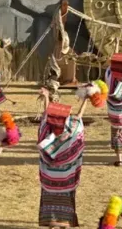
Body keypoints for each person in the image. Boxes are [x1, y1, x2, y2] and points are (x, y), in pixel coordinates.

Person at [37, 96, 88, 228]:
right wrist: (85, 99)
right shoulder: (73, 131)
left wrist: (46, 98)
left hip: (49, 180)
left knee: (49, 200)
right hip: (67, 179)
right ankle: (65, 223)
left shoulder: (46, 133)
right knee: (66, 201)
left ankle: (51, 223)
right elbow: (79, 117)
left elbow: (46, 118)